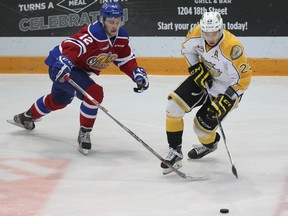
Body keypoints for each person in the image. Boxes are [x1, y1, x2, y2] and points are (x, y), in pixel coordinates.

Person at [11, 2, 149, 155]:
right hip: (61, 66)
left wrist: (135, 72)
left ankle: (26, 117)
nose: (114, 26)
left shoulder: (121, 37)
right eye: (111, 22)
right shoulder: (93, 34)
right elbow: (74, 44)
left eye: (118, 22)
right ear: (102, 20)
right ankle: (85, 132)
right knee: (95, 93)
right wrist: (66, 60)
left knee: (59, 101)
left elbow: (124, 59)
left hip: (78, 70)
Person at [160, 12, 252, 174]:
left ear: (221, 29)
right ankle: (175, 151)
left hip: (227, 90)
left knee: (200, 130)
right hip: (206, 78)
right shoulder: (195, 33)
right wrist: (196, 68)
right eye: (206, 33)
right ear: (201, 30)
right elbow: (186, 50)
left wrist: (226, 99)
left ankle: (211, 144)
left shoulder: (232, 47)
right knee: (173, 107)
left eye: (215, 33)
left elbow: (243, 78)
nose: (210, 37)